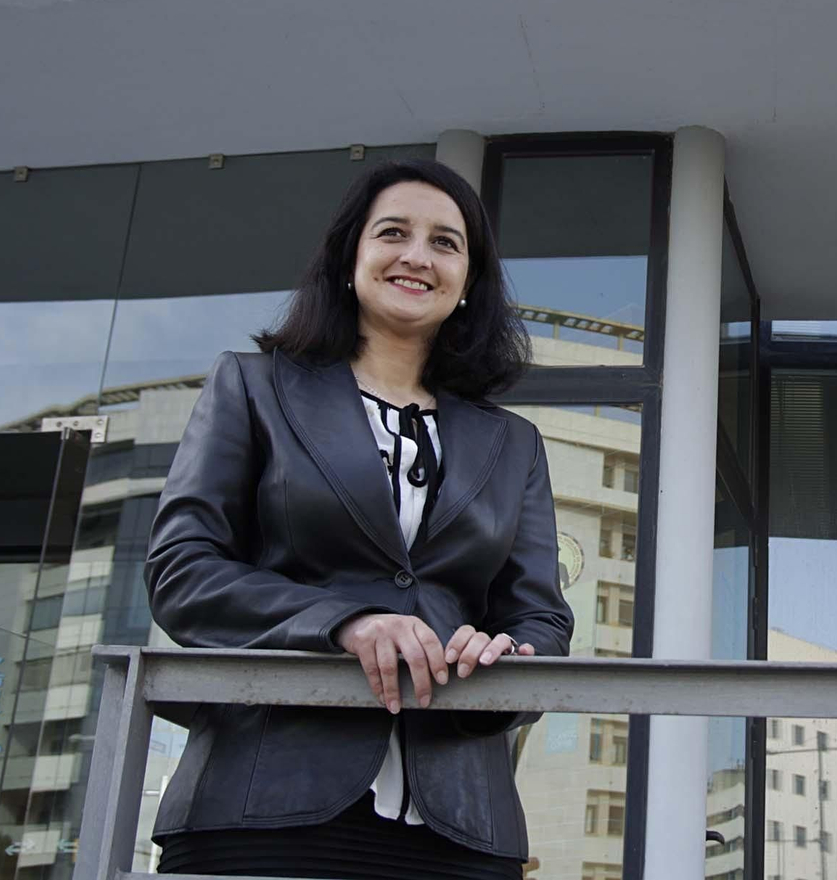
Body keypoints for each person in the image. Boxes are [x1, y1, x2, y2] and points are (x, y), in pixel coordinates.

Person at [144, 158, 574, 879]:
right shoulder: (253, 388)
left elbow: (541, 620)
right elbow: (183, 571)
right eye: (393, 232)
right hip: (262, 802)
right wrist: (343, 622)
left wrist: (502, 659)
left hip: (461, 825)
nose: (417, 255)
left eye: (446, 242)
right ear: (351, 257)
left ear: (469, 281)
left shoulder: (513, 443)